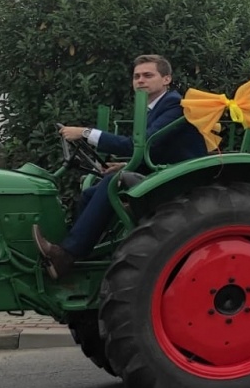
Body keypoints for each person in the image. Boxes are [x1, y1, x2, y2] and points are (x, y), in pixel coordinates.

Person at [32, 54, 206, 279]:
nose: (140, 80)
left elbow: (140, 144)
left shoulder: (174, 104)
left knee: (111, 184)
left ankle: (66, 255)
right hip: (162, 169)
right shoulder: (152, 108)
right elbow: (156, 148)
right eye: (136, 76)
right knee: (89, 193)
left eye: (147, 75)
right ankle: (79, 255)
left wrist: (85, 133)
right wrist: (126, 165)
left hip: (181, 176)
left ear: (166, 79)